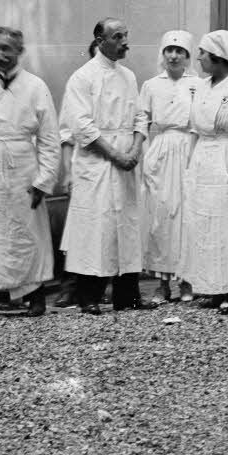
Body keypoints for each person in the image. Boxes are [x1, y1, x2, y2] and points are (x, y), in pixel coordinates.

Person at [0, 27, 60, 320]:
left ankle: (34, 296)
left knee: (27, 233)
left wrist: (43, 181)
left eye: (7, 49)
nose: (1, 55)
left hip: (23, 168)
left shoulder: (35, 86)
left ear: (20, 51)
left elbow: (50, 139)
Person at [61, 17, 152, 314]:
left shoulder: (128, 76)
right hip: (98, 163)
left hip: (126, 161)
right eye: (117, 37)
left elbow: (140, 116)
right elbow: (82, 126)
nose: (125, 42)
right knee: (94, 229)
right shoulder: (82, 78)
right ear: (100, 40)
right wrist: (115, 155)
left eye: (126, 35)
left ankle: (128, 297)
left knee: (126, 228)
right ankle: (88, 296)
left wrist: (136, 148)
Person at [179, 31, 228, 313]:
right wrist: (189, 165)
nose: (198, 58)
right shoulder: (200, 87)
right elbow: (192, 128)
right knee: (204, 224)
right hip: (202, 158)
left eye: (202, 53)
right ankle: (211, 286)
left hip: (227, 155)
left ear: (218, 57)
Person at [137, 31, 198, 302]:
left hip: (187, 149)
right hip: (160, 151)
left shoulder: (198, 84)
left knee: (185, 217)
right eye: (169, 51)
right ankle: (162, 284)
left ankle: (186, 282)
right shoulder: (151, 85)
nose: (173, 56)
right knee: (161, 218)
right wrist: (146, 154)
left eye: (179, 51)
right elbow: (142, 119)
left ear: (187, 56)